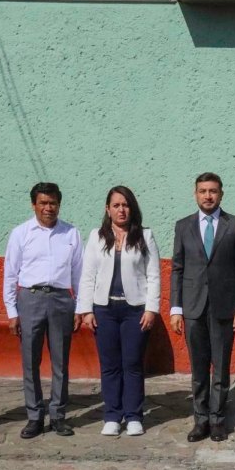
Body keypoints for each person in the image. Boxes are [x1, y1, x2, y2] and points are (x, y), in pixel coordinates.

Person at [170, 173, 235, 443]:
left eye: (213, 191)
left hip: (224, 308)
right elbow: (178, 269)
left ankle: (218, 420)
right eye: (203, 191)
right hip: (193, 308)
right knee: (198, 368)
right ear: (195, 194)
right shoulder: (183, 226)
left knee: (221, 367)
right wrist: (175, 309)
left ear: (221, 194)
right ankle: (200, 420)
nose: (208, 196)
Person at [77, 186, 161, 437]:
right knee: (110, 365)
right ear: (108, 209)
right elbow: (88, 275)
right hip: (105, 309)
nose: (121, 209)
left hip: (135, 310)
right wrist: (86, 310)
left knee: (132, 364)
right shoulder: (96, 236)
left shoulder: (145, 236)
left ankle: (134, 416)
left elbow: (154, 275)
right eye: (116, 205)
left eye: (125, 205)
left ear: (132, 208)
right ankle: (112, 415)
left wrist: (151, 309)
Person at [4, 183, 83, 439]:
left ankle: (58, 415)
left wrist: (80, 307)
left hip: (61, 300)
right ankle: (34, 416)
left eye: (53, 203)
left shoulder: (71, 233)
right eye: (43, 203)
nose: (48, 208)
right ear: (33, 205)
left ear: (59, 205)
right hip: (30, 299)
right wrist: (12, 311)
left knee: (61, 362)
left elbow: (79, 273)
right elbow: (10, 274)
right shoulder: (20, 233)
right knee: (30, 361)